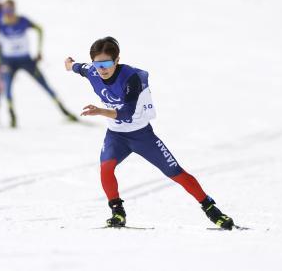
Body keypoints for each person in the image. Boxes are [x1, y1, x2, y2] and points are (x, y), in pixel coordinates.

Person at [64, 37, 235, 229]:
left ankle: (212, 209)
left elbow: (127, 112)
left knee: (176, 173)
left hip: (141, 136)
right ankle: (117, 212)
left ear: (117, 60)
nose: (102, 69)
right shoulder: (92, 70)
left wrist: (101, 111)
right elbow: (79, 68)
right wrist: (70, 65)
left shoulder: (130, 78)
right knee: (106, 169)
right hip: (116, 136)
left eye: (107, 63)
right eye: (98, 64)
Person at [0, 0, 77, 128]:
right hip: (8, 61)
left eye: (10, 10)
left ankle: (63, 110)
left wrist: (39, 51)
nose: (8, 13)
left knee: (44, 84)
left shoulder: (23, 21)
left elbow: (39, 29)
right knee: (7, 88)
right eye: (5, 10)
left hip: (26, 60)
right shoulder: (0, 25)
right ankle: (12, 115)